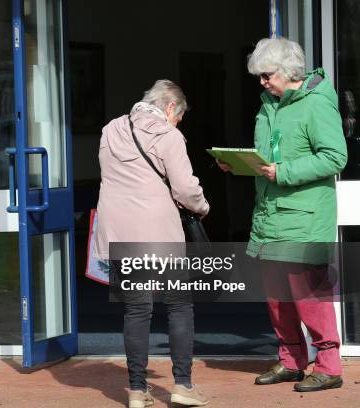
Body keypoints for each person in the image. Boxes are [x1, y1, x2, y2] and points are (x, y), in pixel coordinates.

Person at [218, 38, 347, 392]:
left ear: (288, 71)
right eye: (258, 75)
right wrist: (239, 165)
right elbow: (265, 159)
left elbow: (335, 157)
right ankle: (291, 361)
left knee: (309, 295)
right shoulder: (267, 105)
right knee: (276, 297)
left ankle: (329, 365)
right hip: (269, 215)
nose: (261, 82)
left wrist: (284, 171)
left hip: (304, 216)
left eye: (266, 74)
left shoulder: (316, 105)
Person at [95, 80, 210, 407]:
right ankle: (183, 386)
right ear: (170, 107)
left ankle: (135, 390)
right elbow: (186, 189)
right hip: (159, 232)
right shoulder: (168, 135)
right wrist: (203, 208)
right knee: (178, 306)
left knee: (136, 309)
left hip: (120, 232)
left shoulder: (110, 130)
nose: (177, 124)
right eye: (179, 117)